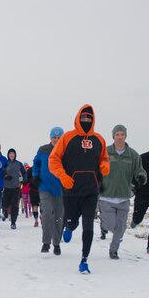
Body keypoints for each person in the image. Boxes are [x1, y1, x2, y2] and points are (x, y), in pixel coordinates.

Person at [49, 105, 110, 273]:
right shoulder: (67, 137)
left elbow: (104, 158)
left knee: (88, 225)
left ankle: (84, 259)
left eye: (89, 118)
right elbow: (54, 159)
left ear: (93, 119)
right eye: (83, 118)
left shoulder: (99, 139)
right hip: (71, 190)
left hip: (91, 190)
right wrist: (62, 175)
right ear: (78, 118)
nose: (86, 121)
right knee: (71, 220)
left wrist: (105, 165)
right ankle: (68, 227)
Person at [98, 125, 146, 260]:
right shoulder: (105, 152)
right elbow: (97, 170)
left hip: (124, 196)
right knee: (111, 225)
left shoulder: (132, 155)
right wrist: (98, 184)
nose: (120, 137)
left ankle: (114, 251)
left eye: (122, 134)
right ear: (113, 136)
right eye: (117, 134)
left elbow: (139, 170)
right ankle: (103, 224)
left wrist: (141, 177)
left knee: (121, 228)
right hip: (106, 196)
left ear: (125, 136)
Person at [33, 126, 65, 254]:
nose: (56, 140)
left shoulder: (66, 150)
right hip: (45, 187)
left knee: (58, 217)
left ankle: (56, 243)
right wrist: (35, 176)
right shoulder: (43, 149)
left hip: (61, 189)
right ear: (50, 138)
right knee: (46, 213)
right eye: (54, 137)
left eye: (59, 137)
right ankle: (46, 242)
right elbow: (36, 163)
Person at [1, 148, 27, 229]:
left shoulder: (19, 164)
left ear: (15, 155)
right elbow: (1, 174)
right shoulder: (5, 163)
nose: (12, 155)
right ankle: (5, 211)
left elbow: (24, 173)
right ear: (8, 155)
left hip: (16, 187)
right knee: (5, 204)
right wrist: (5, 177)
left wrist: (24, 180)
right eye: (10, 154)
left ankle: (13, 222)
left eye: (13, 154)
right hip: (6, 187)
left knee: (14, 205)